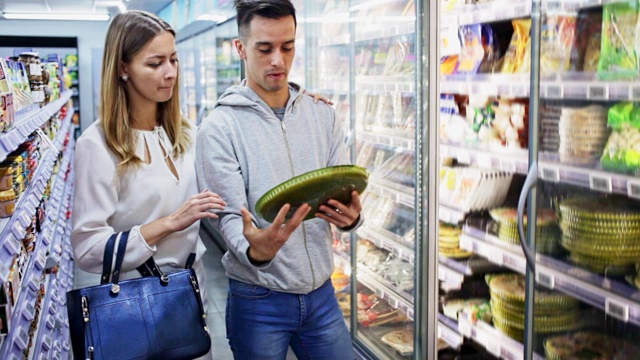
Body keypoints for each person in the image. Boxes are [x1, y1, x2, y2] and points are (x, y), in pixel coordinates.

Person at [195, 1, 363, 359]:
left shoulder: (322, 115)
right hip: (259, 300)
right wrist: (255, 250)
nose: (278, 61)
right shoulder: (219, 129)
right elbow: (228, 215)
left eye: (287, 47)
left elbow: (340, 190)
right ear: (240, 48)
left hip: (321, 294)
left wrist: (351, 217)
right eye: (265, 48)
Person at [71, 11, 225, 359]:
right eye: (155, 63)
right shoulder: (98, 145)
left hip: (190, 292)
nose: (170, 72)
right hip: (138, 300)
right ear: (123, 68)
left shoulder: (185, 131)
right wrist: (168, 223)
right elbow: (87, 247)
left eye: (173, 59)